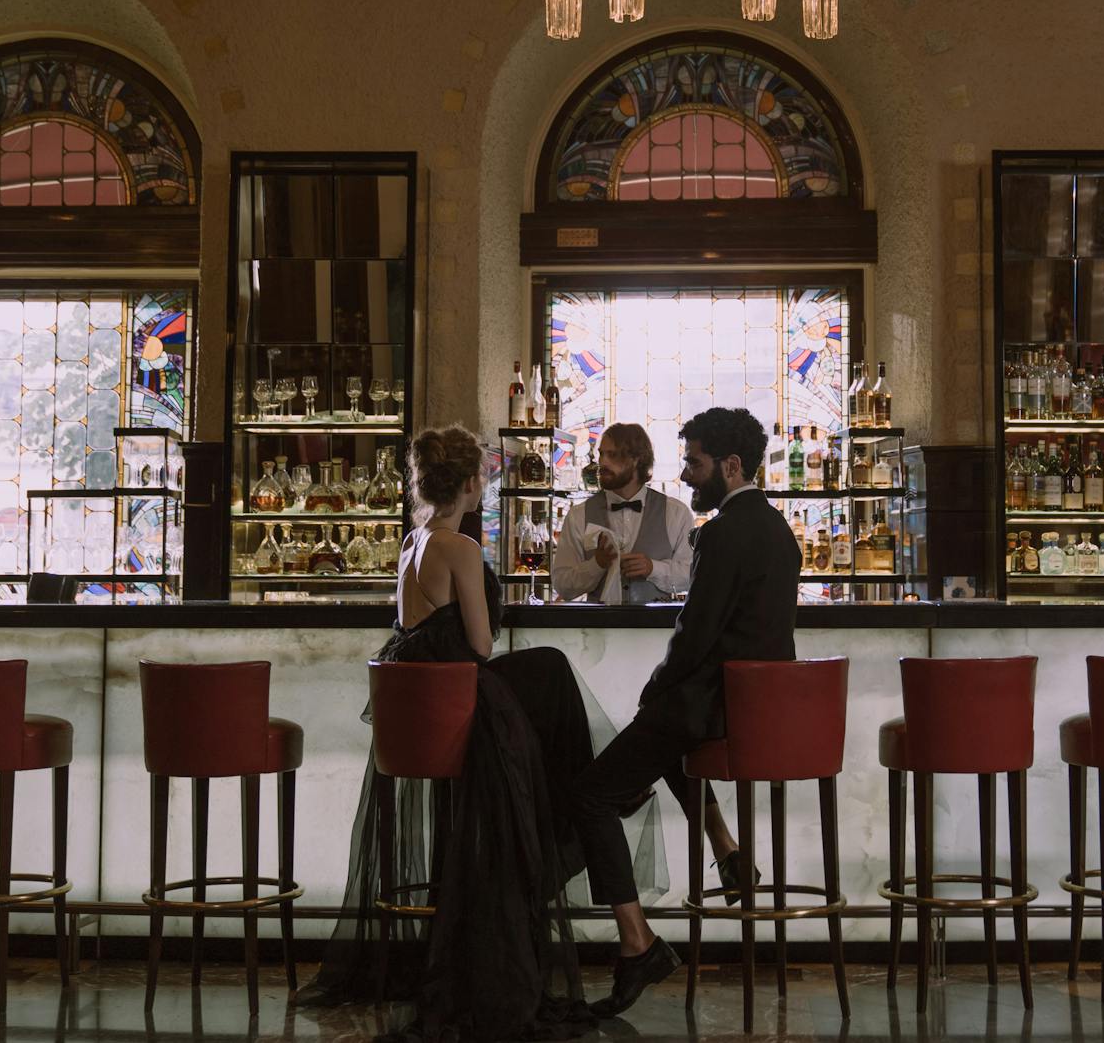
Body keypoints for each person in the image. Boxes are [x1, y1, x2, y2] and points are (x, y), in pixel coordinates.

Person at [301, 425, 607, 1040]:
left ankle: (555, 830)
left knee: (542, 678)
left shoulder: (414, 541)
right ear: (472, 482)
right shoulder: (462, 548)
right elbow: (481, 642)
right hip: (454, 711)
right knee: (549, 673)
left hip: (413, 717)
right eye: (485, 475)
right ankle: (563, 832)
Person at [569, 406, 802, 1016]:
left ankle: (637, 942)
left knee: (591, 794)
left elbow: (694, 634)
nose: (687, 474)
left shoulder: (721, 531)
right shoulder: (779, 530)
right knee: (663, 735)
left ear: (730, 465)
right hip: (754, 711)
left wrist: (656, 685)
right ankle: (725, 845)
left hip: (710, 708)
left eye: (695, 463)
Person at [552, 422, 694, 604]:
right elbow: (562, 585)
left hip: (655, 629)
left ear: (637, 459)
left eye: (612, 455)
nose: (602, 462)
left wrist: (653, 569)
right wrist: (597, 565)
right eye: (601, 454)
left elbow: (691, 575)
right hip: (598, 630)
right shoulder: (578, 515)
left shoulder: (676, 513)